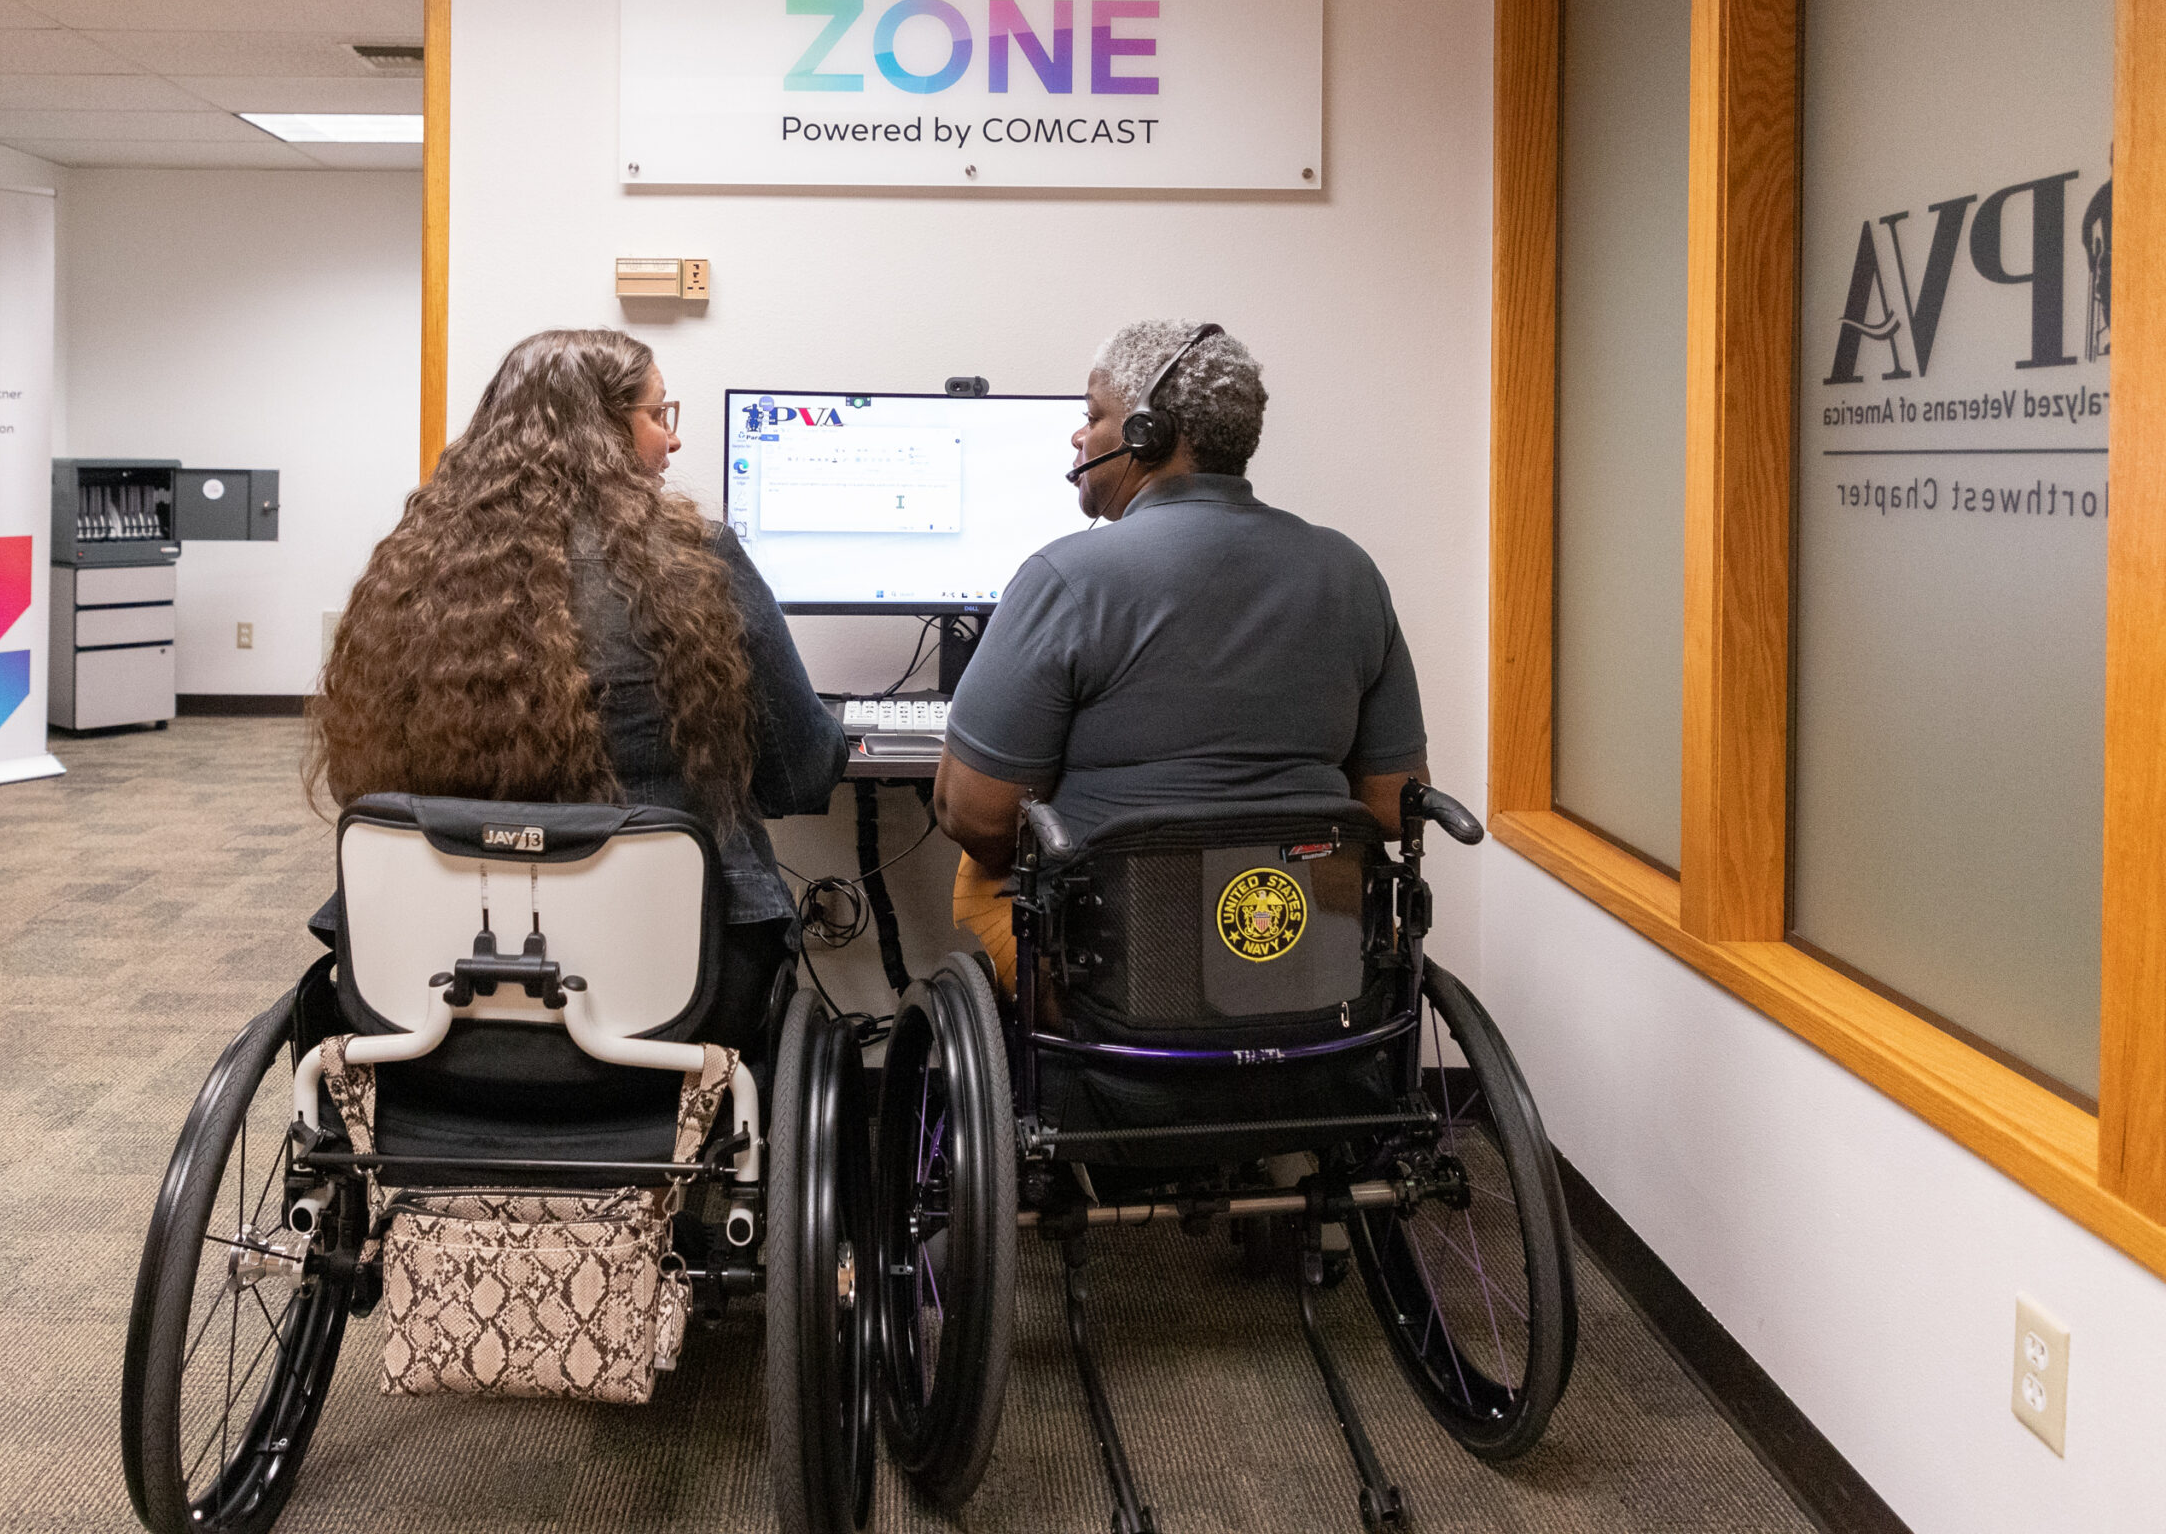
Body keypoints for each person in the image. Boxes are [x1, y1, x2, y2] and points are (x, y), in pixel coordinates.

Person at [308, 327, 846, 1050]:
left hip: (431, 1002)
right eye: (660, 415)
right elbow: (801, 777)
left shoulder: (408, 575)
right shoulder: (699, 562)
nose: (672, 441)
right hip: (682, 1004)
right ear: (606, 431)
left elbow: (362, 791)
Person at [933, 319, 1431, 989]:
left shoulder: (1067, 578)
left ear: (1147, 435)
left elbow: (976, 818)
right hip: (1304, 962)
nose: (1080, 437)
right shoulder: (1349, 572)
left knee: (978, 871)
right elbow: (1395, 807)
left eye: (1094, 416)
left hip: (1122, 980)